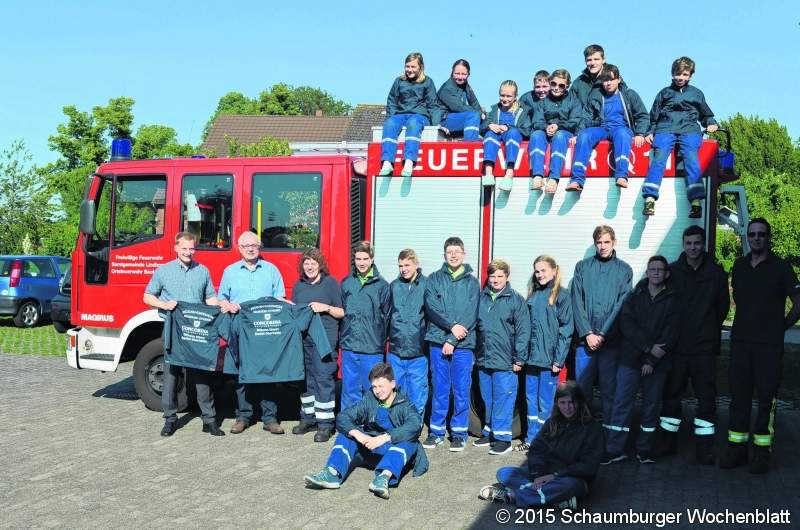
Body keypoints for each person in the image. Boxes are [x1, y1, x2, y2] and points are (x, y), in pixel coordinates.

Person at [721, 218, 800, 474]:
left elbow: (798, 303)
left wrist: (781, 327)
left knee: (766, 399)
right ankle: (737, 450)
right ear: (747, 237)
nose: (756, 238)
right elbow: (738, 299)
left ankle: (761, 454)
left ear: (768, 237)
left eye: (761, 234)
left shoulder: (782, 267)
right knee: (739, 399)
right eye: (752, 234)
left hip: (768, 346)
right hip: (741, 343)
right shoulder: (740, 266)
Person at [657, 226, 729, 465]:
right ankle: (667, 443)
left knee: (706, 399)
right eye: (688, 243)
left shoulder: (716, 273)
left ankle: (704, 448)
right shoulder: (673, 271)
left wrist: (707, 330)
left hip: (703, 348)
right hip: (677, 348)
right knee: (671, 397)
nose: (692, 248)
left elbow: (722, 308)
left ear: (703, 244)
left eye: (696, 243)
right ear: (683, 244)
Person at [303, 362, 428, 500]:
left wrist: (384, 438)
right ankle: (332, 473)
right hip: (370, 448)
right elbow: (343, 417)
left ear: (392, 384)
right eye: (374, 386)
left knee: (410, 441)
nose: (377, 391)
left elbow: (415, 425)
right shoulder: (369, 399)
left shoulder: (405, 404)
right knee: (346, 434)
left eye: (381, 386)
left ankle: (382, 478)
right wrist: (359, 434)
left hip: (393, 453)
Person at [479, 382, 603, 509]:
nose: (567, 407)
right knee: (504, 473)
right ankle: (555, 501)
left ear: (580, 402)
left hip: (571, 478)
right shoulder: (552, 423)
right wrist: (539, 475)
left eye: (571, 402)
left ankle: (513, 496)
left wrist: (555, 476)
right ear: (557, 403)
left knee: (569, 486)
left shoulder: (592, 428)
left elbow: (589, 466)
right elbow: (537, 449)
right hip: (546, 472)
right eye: (563, 403)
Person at [143, 231, 219, 437]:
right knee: (171, 375)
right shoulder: (163, 271)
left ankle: (209, 420)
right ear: (176, 248)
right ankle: (170, 419)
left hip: (196, 332)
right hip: (173, 329)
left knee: (202, 373)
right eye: (184, 248)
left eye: (191, 248)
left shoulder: (202, 271)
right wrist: (165, 304)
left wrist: (222, 308)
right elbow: (147, 296)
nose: (188, 252)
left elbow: (211, 299)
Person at [604, 256, 679, 465]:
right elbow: (627, 325)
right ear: (647, 272)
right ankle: (614, 449)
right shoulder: (634, 296)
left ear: (666, 274)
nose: (655, 273)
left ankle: (644, 450)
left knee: (651, 406)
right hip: (630, 360)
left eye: (659, 270)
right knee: (621, 404)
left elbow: (670, 333)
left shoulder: (673, 299)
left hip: (657, 364)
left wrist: (651, 361)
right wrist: (647, 348)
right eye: (652, 269)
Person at [217, 231, 288, 435]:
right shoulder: (230, 271)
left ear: (259, 247)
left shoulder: (271, 270)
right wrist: (227, 305)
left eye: (254, 245)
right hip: (239, 329)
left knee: (268, 373)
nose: (250, 248)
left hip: (265, 331)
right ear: (239, 248)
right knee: (241, 374)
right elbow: (221, 299)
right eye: (246, 245)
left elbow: (279, 299)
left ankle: (270, 418)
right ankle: (243, 416)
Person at [571, 225, 632, 432]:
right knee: (582, 390)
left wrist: (603, 333)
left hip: (610, 343)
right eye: (599, 242)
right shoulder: (582, 267)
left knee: (609, 390)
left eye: (607, 242)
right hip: (585, 343)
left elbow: (621, 305)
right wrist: (587, 333)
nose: (603, 246)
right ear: (594, 243)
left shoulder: (624, 270)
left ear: (614, 242)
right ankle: (583, 432)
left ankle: (609, 434)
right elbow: (576, 302)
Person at [643, 56, 719, 218]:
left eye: (685, 75)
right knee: (659, 156)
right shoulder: (664, 93)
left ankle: (696, 202)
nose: (681, 78)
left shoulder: (696, 94)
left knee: (691, 157)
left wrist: (711, 123)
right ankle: (650, 197)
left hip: (689, 129)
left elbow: (706, 114)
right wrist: (650, 131)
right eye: (678, 74)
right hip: (666, 128)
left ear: (690, 76)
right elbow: (653, 116)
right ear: (672, 74)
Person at [423, 236, 480, 452]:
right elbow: (432, 307)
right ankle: (436, 432)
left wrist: (453, 339)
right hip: (438, 343)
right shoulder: (434, 279)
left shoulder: (472, 282)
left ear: (463, 254)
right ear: (444, 255)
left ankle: (459, 433)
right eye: (450, 252)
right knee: (439, 388)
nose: (453, 255)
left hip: (463, 345)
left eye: (457, 251)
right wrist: (450, 328)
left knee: (461, 389)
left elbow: (472, 313)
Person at [518, 256, 573, 452]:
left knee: (546, 402)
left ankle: (547, 440)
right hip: (532, 360)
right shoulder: (533, 295)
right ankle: (531, 438)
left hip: (550, 361)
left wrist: (559, 359)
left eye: (543, 270)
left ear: (554, 271)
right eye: (537, 271)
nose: (540, 274)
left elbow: (566, 330)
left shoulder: (562, 296)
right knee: (530, 400)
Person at [474, 260, 530, 455]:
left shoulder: (516, 300)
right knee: (487, 398)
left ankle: (503, 438)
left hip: (506, 361)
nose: (496, 280)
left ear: (507, 277)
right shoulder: (482, 299)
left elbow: (523, 332)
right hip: (483, 359)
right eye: (492, 276)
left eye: (500, 276)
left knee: (503, 399)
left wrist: (519, 359)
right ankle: (490, 431)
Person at [291, 248, 345, 442]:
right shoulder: (299, 286)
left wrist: (326, 308)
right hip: (303, 340)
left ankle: (325, 424)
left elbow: (342, 312)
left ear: (320, 264)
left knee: (323, 379)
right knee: (306, 380)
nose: (310, 266)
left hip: (325, 340)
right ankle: (308, 418)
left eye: (313, 263)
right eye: (306, 263)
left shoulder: (330, 284)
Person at [568, 64, 649, 191]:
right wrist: (577, 134)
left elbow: (643, 115)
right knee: (585, 135)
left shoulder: (629, 95)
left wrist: (640, 133)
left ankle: (621, 176)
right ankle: (577, 179)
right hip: (602, 128)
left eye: (611, 80)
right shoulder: (596, 96)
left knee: (622, 134)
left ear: (619, 79)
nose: (608, 83)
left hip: (621, 128)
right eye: (605, 80)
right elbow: (586, 117)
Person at [340, 241, 391, 409]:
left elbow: (388, 316)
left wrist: (380, 341)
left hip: (372, 348)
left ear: (372, 260)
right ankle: (349, 427)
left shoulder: (382, 286)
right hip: (350, 346)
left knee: (374, 389)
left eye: (365, 259)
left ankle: (370, 426)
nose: (361, 263)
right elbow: (343, 311)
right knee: (349, 390)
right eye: (358, 259)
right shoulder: (347, 282)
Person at [379, 52, 439, 178]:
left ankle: (409, 162)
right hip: (401, 114)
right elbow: (392, 100)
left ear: (420, 67)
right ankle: (387, 162)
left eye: (413, 67)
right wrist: (391, 116)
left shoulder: (428, 82)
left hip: (420, 116)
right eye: (407, 66)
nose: (409, 70)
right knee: (389, 124)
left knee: (413, 123)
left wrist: (437, 125)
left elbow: (433, 105)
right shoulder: (399, 81)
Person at [387, 249, 428, 417]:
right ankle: (399, 423)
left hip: (418, 352)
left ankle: (414, 426)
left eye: (407, 265)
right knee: (397, 392)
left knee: (417, 393)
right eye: (400, 266)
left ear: (416, 264)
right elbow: (386, 315)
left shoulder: (426, 285)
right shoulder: (394, 286)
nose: (403, 269)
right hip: (396, 351)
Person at [529, 70, 582, 194]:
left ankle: (553, 178)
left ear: (567, 86)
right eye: (553, 84)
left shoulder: (574, 101)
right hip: (545, 132)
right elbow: (537, 121)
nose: (556, 88)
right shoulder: (542, 102)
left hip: (564, 132)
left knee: (559, 136)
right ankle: (537, 176)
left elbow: (575, 121)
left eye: (561, 85)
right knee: (536, 135)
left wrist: (558, 126)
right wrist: (545, 127)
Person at [480, 80, 532, 192]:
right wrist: (490, 125)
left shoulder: (523, 111)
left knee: (513, 133)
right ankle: (488, 174)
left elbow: (527, 131)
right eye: (502, 95)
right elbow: (482, 127)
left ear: (515, 97)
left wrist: (508, 127)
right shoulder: (495, 110)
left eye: (509, 96)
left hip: (512, 137)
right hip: (496, 137)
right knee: (489, 134)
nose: (505, 99)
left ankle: (509, 174)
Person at [436, 59, 483, 141]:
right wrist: (479, 113)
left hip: (457, 118)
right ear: (452, 73)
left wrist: (485, 118)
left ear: (468, 74)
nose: (460, 77)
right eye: (457, 73)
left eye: (463, 74)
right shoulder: (446, 89)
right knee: (473, 116)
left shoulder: (465, 85)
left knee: (481, 119)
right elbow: (459, 107)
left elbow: (475, 103)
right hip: (444, 120)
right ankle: (470, 147)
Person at [569, 44, 606, 109]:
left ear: (603, 60)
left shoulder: (613, 79)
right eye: (589, 60)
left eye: (596, 59)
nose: (592, 63)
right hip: (582, 118)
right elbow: (570, 106)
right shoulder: (578, 83)